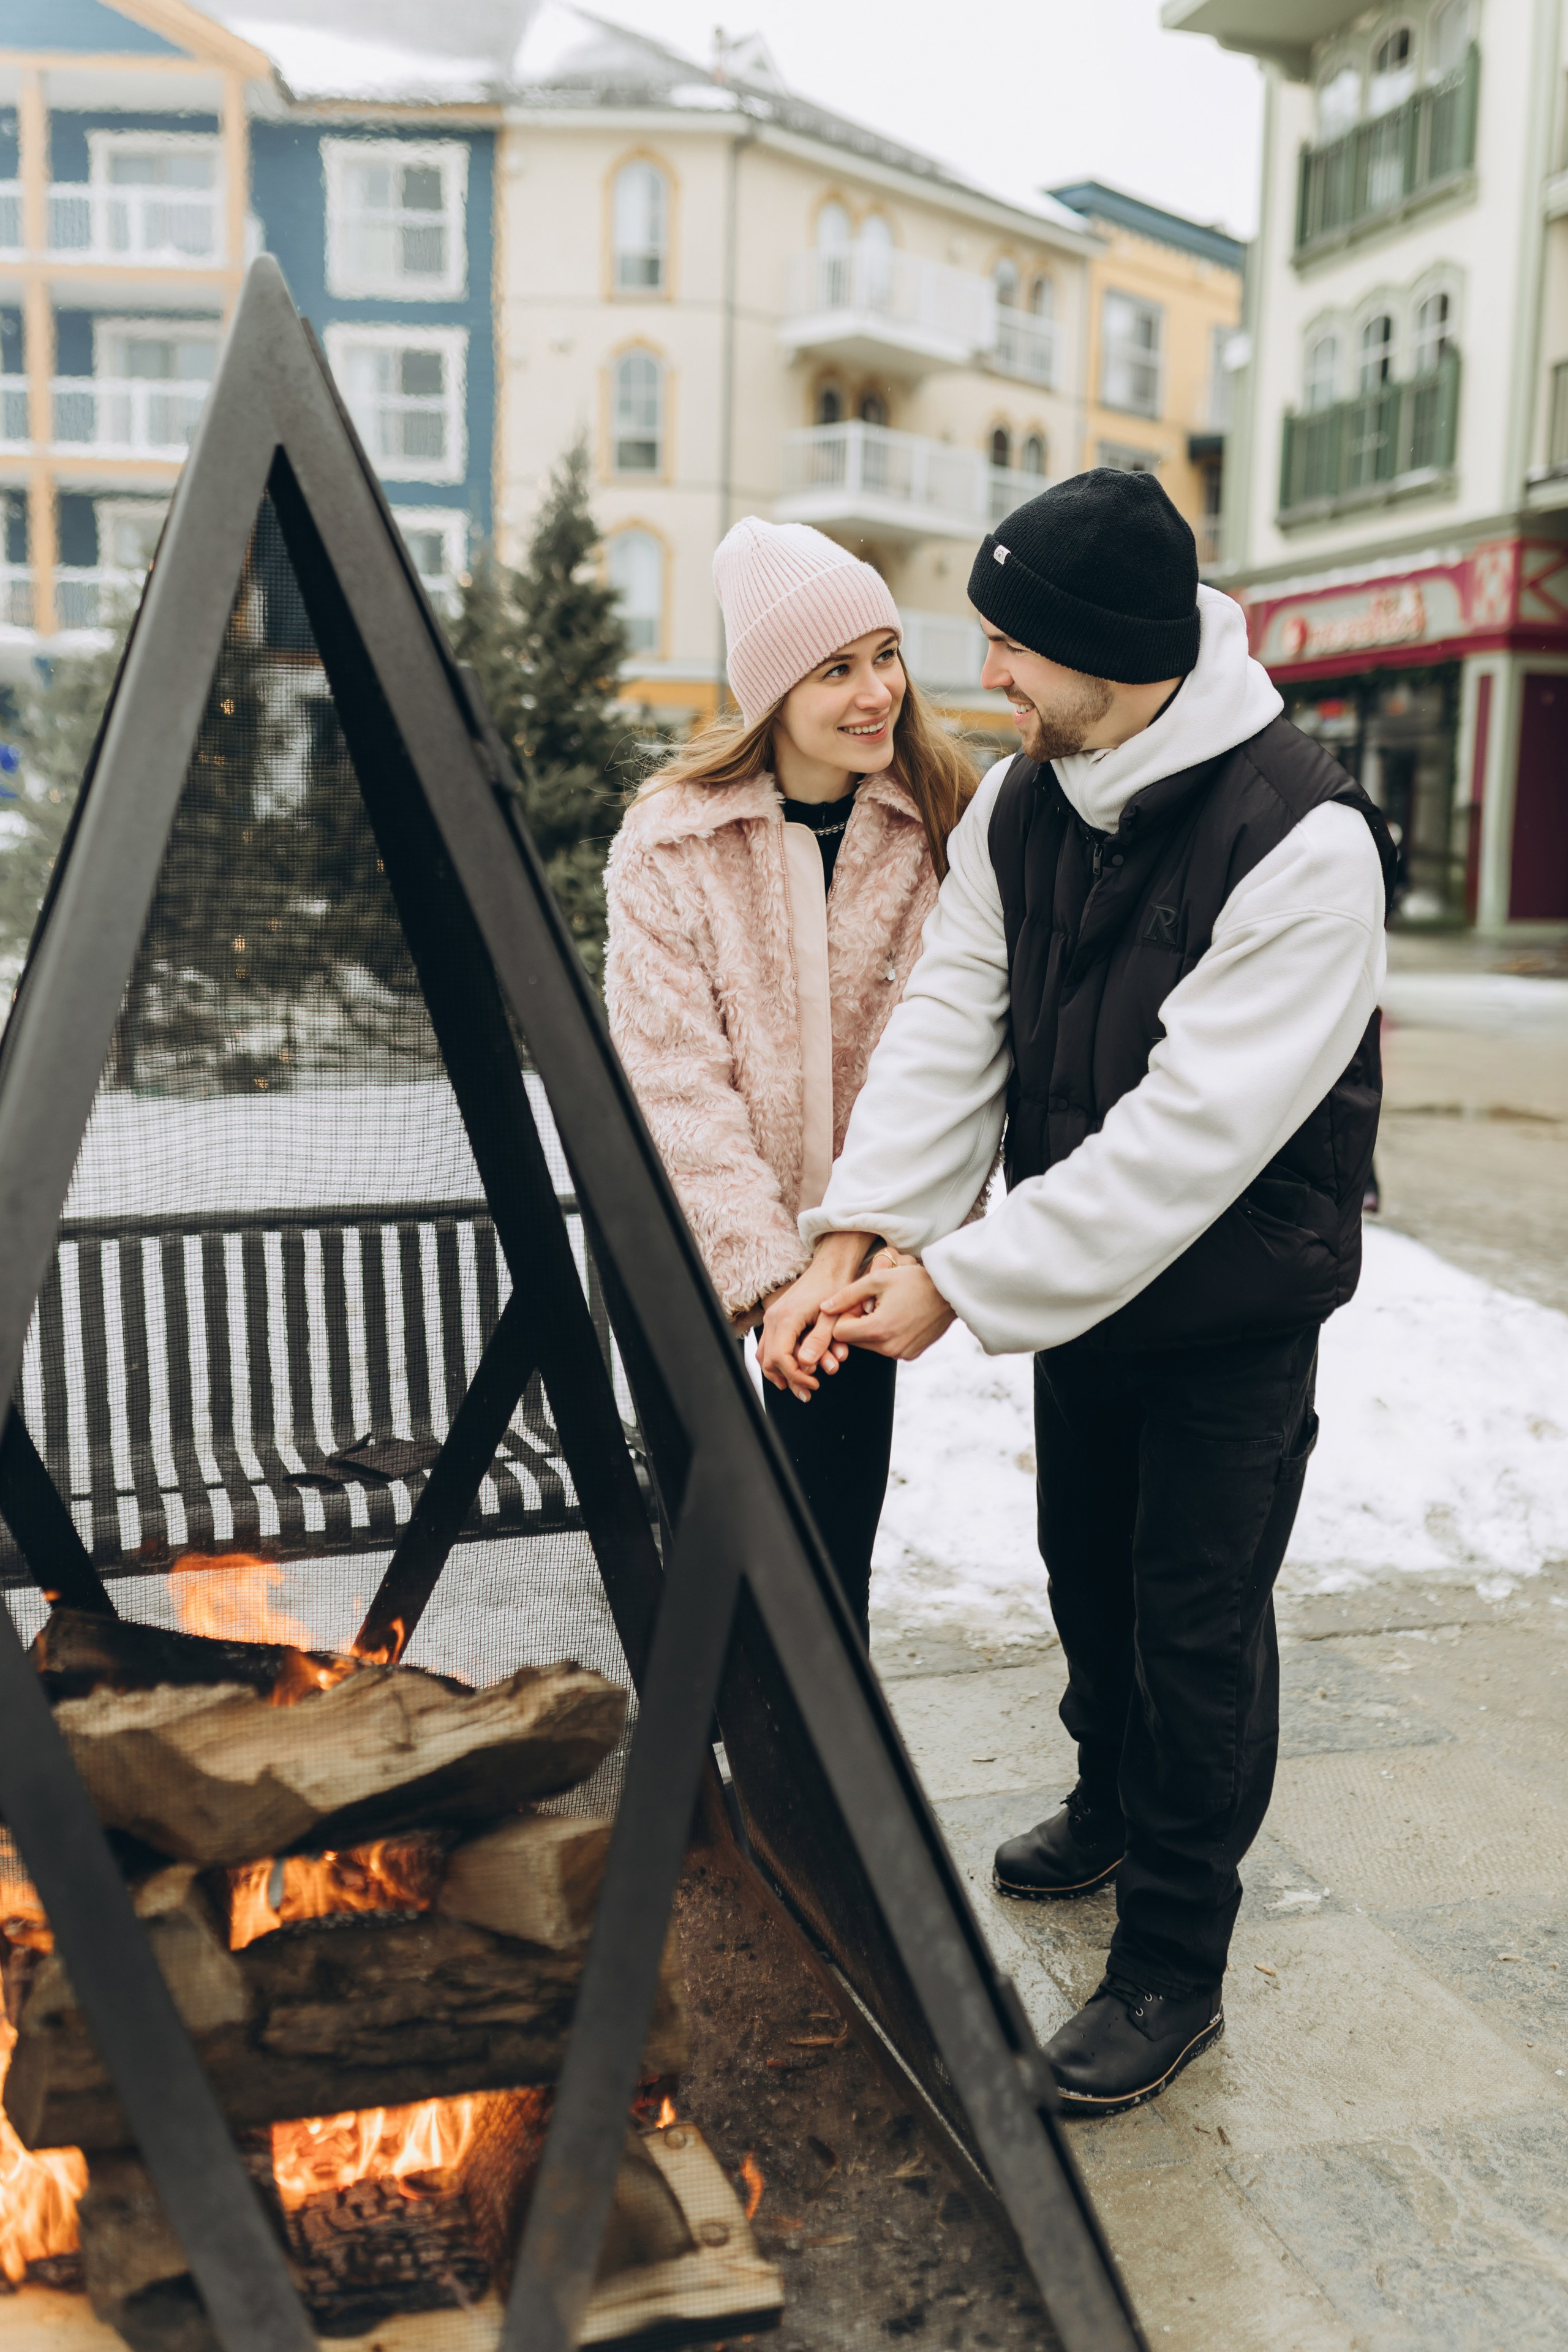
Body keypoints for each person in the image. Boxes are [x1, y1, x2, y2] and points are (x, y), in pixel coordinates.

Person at [761, 470, 1395, 2113]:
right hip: (1091, 1292)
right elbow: (950, 1027)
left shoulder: (1305, 842)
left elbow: (1190, 1145)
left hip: (1233, 1307)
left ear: (1117, 654)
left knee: (1191, 1620)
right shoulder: (1031, 801)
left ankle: (1175, 1965)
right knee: (1083, 1571)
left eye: (1014, 645)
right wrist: (860, 1229)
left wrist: (954, 1284)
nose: (987, 679)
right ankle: (1110, 1799)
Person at [604, 517, 976, 1639]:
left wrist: (841, 1264)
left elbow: (947, 1056)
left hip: (855, 1260)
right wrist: (769, 1284)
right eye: (836, 670)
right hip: (693, 1247)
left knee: (827, 1579)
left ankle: (813, 1812)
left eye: (886, 655)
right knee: (696, 1567)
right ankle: (703, 1795)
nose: (878, 694)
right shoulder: (671, 845)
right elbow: (673, 1082)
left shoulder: (942, 832)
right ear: (773, 690)